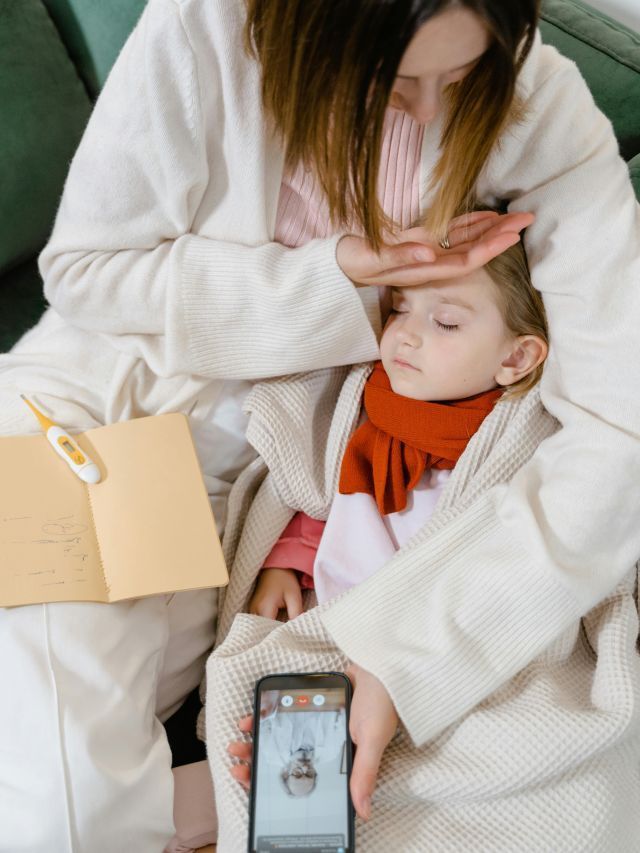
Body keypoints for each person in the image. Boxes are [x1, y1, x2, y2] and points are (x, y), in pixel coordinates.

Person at [0, 0, 637, 850]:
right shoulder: (207, 27)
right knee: (61, 806)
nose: (431, 113)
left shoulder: (541, 105)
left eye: (462, 77)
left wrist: (412, 655)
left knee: (122, 771)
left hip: (252, 485)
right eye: (397, 83)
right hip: (98, 416)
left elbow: (618, 429)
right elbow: (86, 271)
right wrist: (342, 276)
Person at [249, 240, 548, 616]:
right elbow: (328, 493)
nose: (405, 333)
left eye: (446, 322)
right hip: (345, 612)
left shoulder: (516, 445)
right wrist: (287, 563)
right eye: (399, 309)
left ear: (516, 357)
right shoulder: (364, 407)